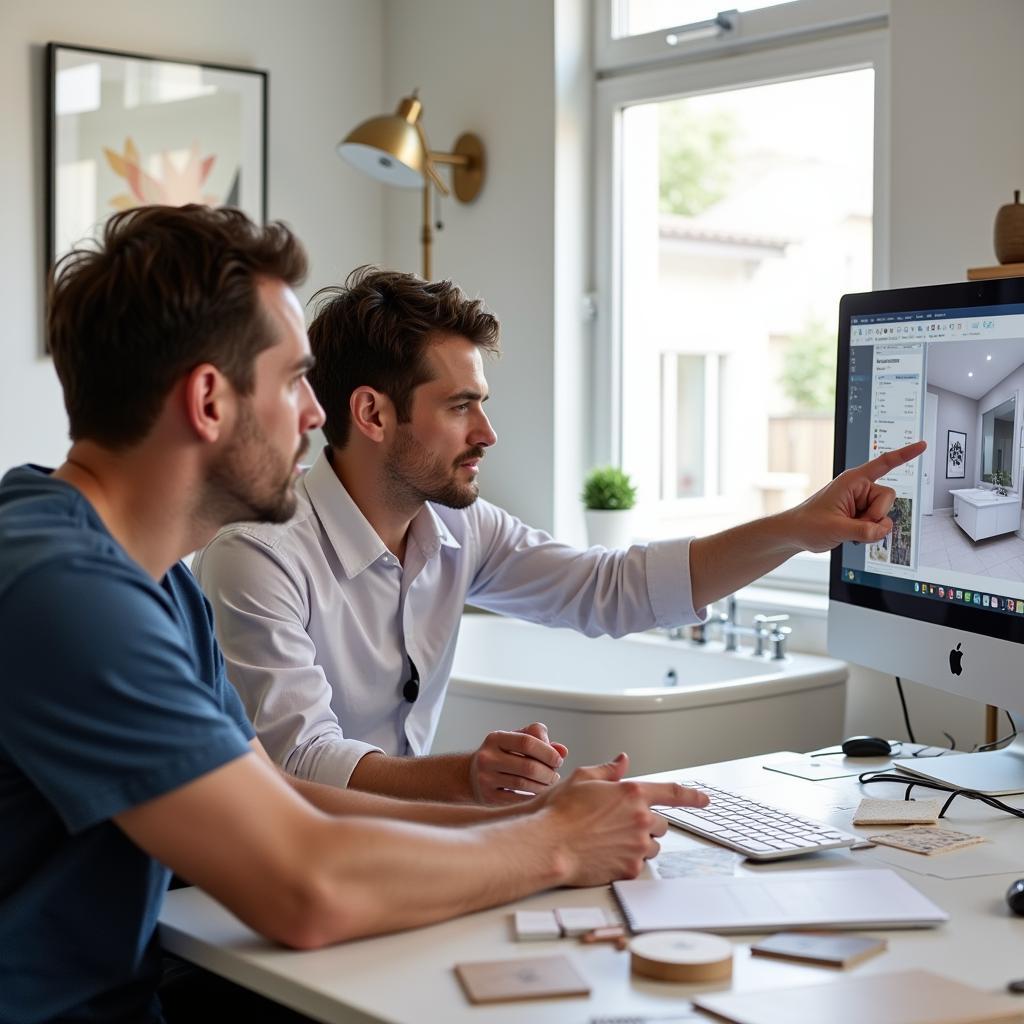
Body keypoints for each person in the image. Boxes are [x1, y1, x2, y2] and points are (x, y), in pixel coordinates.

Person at [0, 206, 709, 1024]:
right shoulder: (65, 592)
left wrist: (532, 815)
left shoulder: (150, 583)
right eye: (295, 379)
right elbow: (307, 888)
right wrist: (553, 846)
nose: (315, 413)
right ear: (207, 400)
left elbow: (280, 795)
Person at [196, 265, 925, 805]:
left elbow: (615, 590)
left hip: (401, 839)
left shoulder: (459, 526)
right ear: (374, 415)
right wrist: (470, 777)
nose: (487, 434)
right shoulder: (257, 555)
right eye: (460, 407)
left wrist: (798, 529)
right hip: (279, 880)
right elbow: (298, 762)